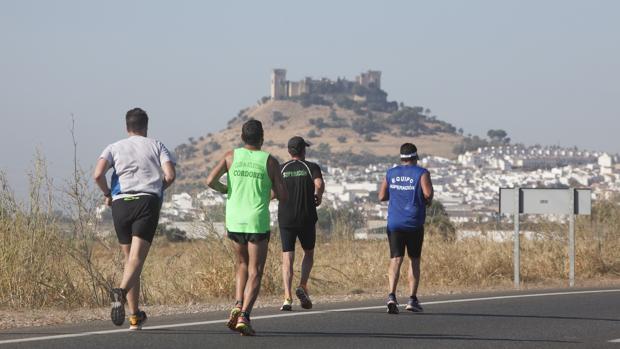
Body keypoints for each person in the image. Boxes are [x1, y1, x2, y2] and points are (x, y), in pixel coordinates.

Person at [93, 108, 176, 330]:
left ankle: (134, 316)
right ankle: (119, 292)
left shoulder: (114, 147)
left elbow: (97, 174)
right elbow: (170, 175)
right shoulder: (156, 145)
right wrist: (157, 189)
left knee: (131, 261)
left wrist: (107, 194)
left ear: (126, 127)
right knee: (137, 260)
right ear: (146, 127)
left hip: (120, 205)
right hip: (146, 202)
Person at [206, 119, 287, 336]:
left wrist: (226, 189)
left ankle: (237, 303)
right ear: (262, 138)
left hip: (234, 220)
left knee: (241, 264)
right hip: (256, 221)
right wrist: (267, 194)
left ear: (243, 138)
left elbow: (210, 181)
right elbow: (283, 195)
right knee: (256, 271)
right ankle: (245, 316)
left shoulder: (230, 156)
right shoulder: (269, 161)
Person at [378, 143, 433, 314]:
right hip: (414, 222)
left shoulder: (391, 173)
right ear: (415, 157)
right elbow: (428, 194)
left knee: (395, 259)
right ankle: (412, 299)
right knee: (414, 260)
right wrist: (424, 201)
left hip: (394, 222)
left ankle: (391, 296)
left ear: (401, 157)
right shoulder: (421, 173)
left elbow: (381, 196)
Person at [277, 136, 324, 311]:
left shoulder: (282, 169)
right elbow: (318, 184)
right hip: (306, 216)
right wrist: (318, 195)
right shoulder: (311, 167)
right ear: (303, 150)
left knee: (287, 257)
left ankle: (287, 298)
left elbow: (274, 192)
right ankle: (303, 285)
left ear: (289, 151)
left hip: (286, 218)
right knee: (308, 253)